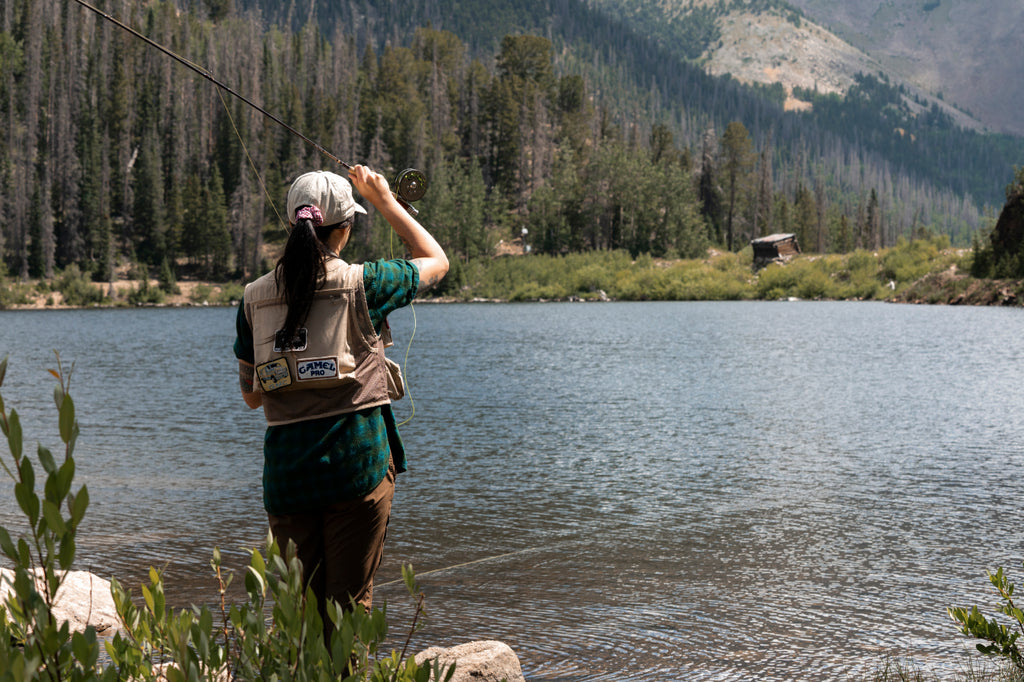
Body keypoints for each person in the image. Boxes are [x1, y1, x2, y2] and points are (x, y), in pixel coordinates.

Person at [233, 165, 448, 624]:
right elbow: (436, 260)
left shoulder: (253, 297)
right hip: (358, 468)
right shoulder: (365, 283)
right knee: (348, 613)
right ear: (345, 228)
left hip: (288, 477)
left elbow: (252, 395)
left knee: (302, 615)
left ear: (294, 224)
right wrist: (385, 199)